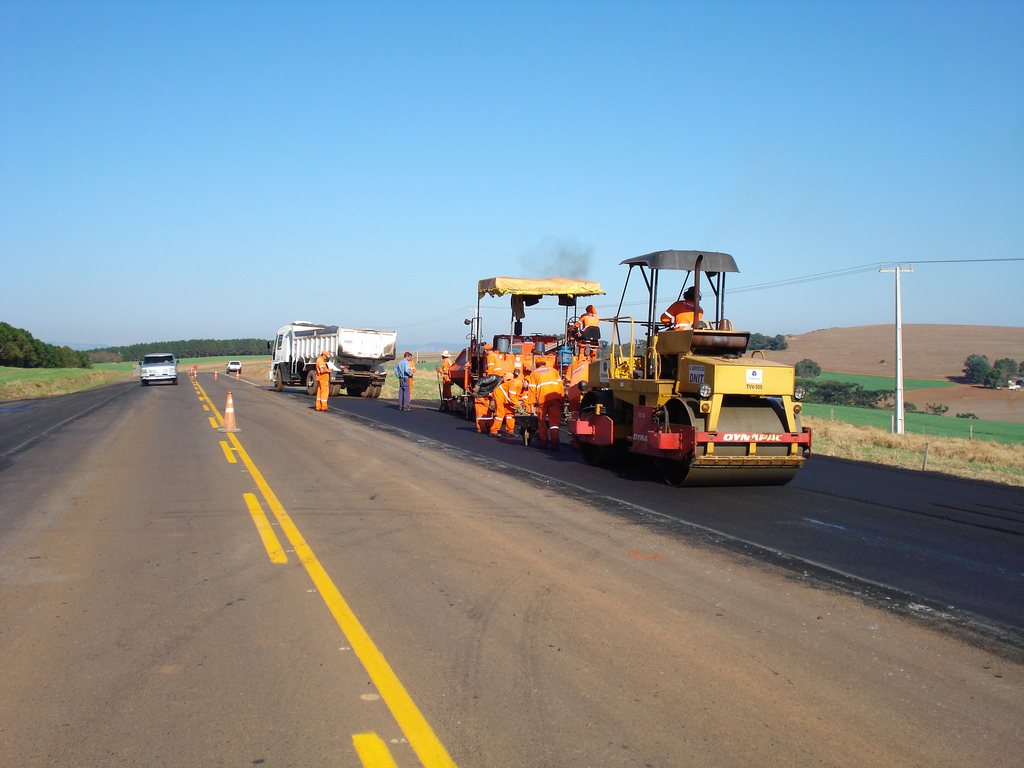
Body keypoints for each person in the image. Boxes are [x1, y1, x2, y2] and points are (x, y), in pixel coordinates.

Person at [529, 357, 565, 451]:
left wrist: (531, 405)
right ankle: (555, 445)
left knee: (542, 422)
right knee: (554, 424)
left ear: (536, 365)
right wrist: (562, 401)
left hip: (542, 401)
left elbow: (532, 390)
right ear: (544, 363)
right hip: (555, 400)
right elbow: (561, 387)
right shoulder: (554, 371)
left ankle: (544, 444)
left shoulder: (534, 373)